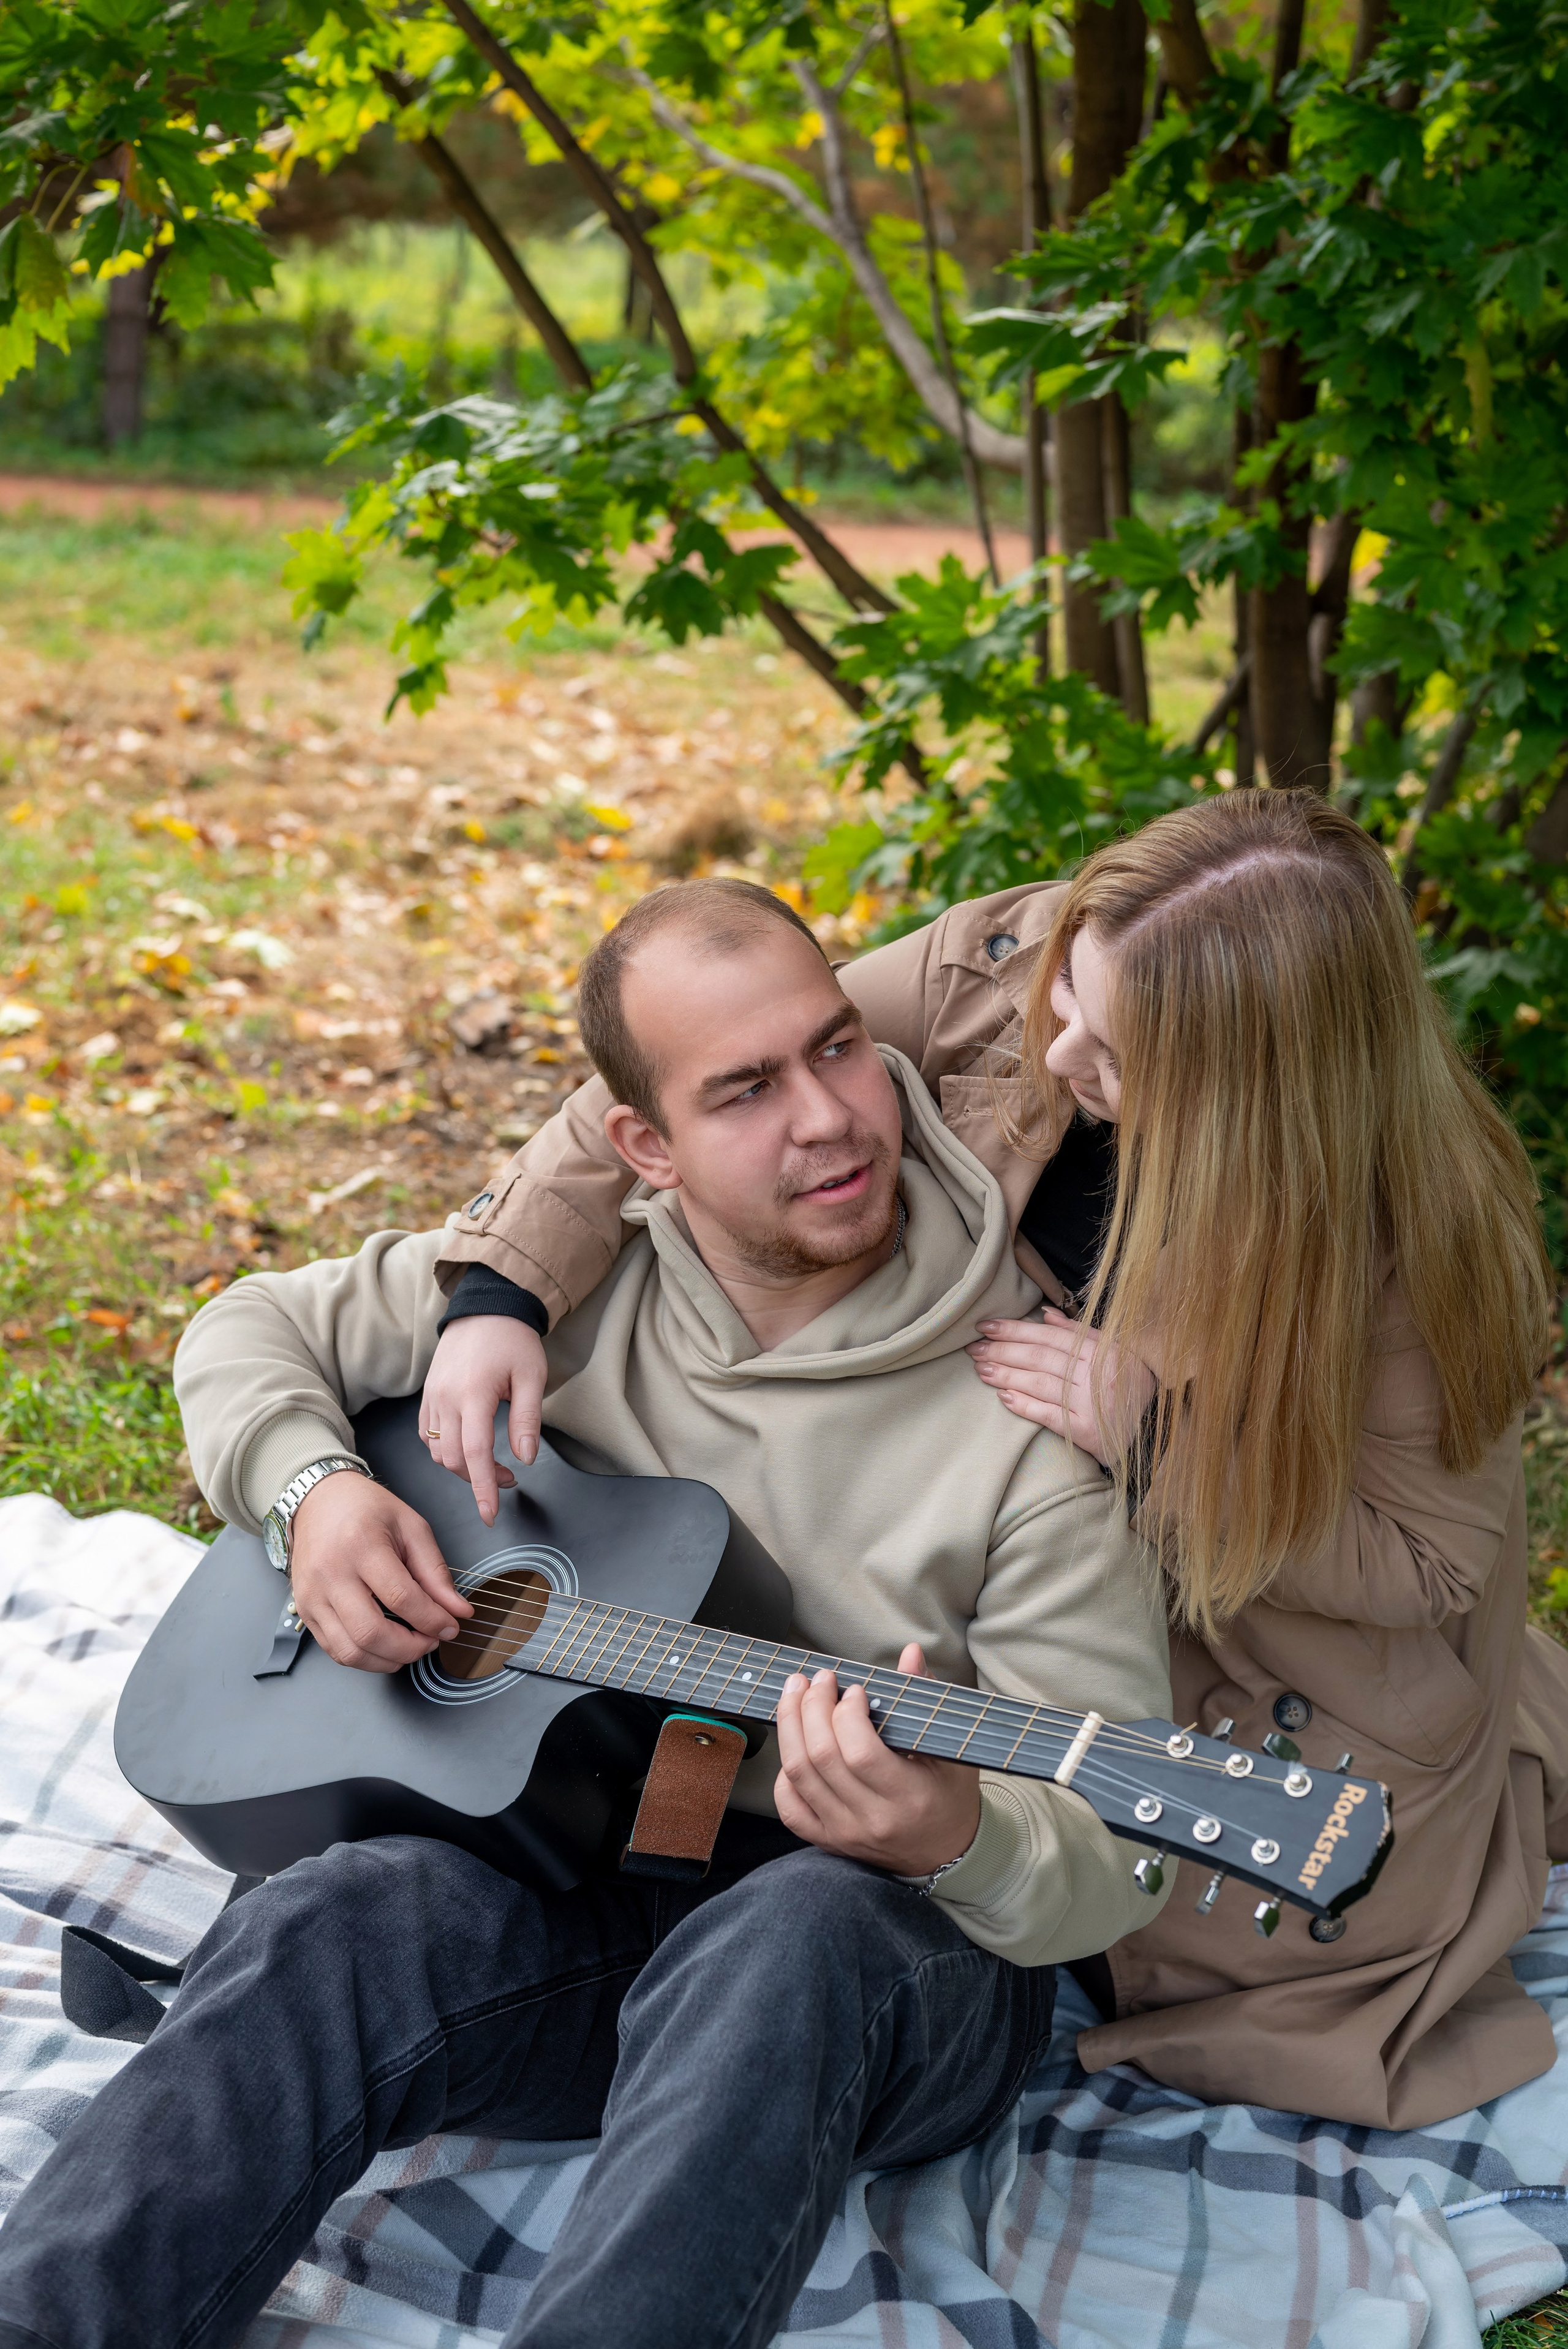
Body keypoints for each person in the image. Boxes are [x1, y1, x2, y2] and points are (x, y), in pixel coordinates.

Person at [0, 880, 1172, 2349]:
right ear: (641, 1147)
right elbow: (252, 1325)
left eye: (835, 1049)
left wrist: (952, 1829)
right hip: (579, 1877)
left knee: (793, 1927)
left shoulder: (1023, 1411)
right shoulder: (561, 1289)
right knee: (337, 1914)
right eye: (742, 1090)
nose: (826, 1118)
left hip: (888, 1963)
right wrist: (314, 1498)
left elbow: (1117, 1845)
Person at [423, 789, 1568, 2130]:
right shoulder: (1006, 975)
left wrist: (1162, 1442)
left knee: (1107, 1877)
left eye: (1117, 1047)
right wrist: (497, 1293)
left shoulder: (1415, 1248)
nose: (1063, 1047)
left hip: (1251, 1666)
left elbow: (1426, 1568)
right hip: (1013, 1602)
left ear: (1259, 1087)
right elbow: (681, 1062)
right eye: (1067, 992)